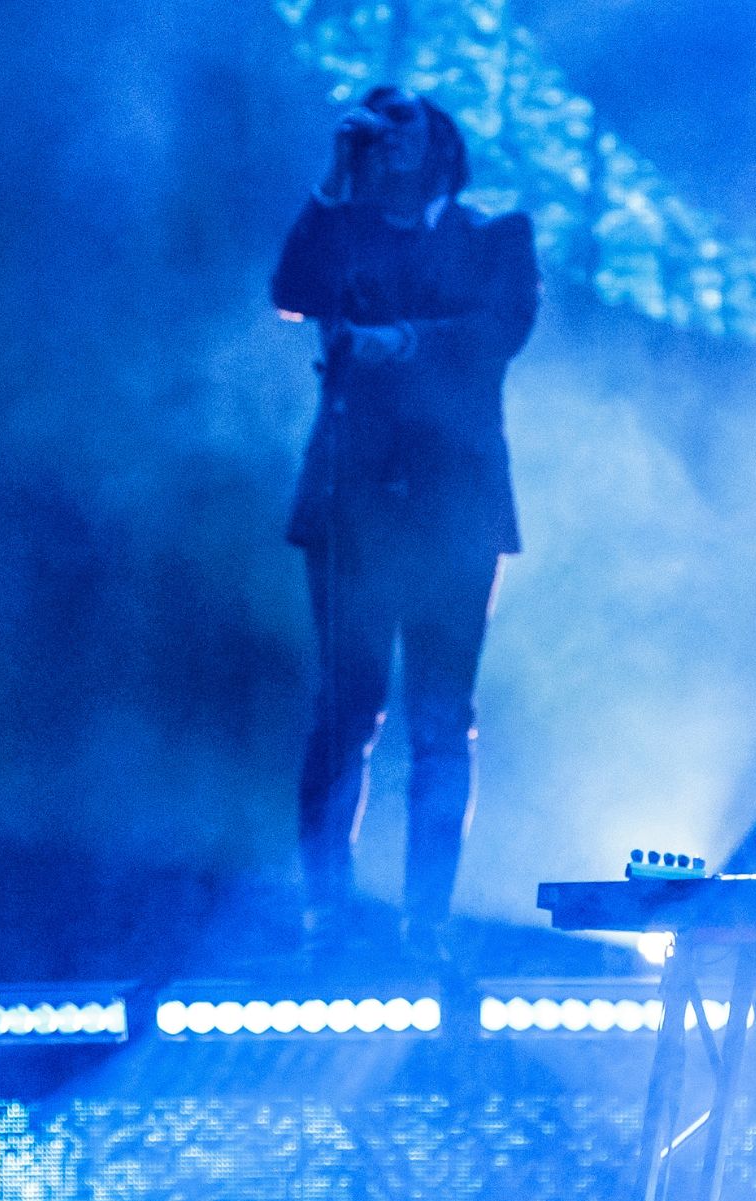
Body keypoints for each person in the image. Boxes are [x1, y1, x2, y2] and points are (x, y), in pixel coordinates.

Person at [272, 87, 539, 962]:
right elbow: (289, 289)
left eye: (404, 121)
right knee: (345, 711)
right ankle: (328, 920)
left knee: (438, 719)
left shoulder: (495, 233)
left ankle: (427, 925)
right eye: (372, 122)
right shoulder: (343, 226)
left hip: (455, 508)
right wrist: (329, 182)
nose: (386, 135)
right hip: (351, 503)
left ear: (439, 140)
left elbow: (502, 329)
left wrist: (407, 343)